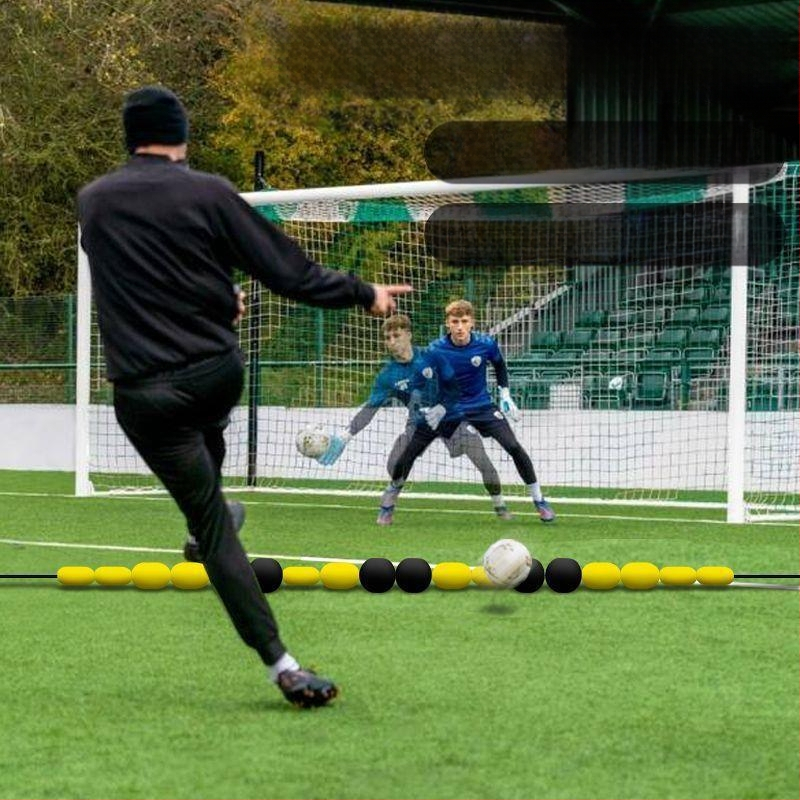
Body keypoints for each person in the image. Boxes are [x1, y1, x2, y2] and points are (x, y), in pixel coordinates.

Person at [77, 85, 411, 709]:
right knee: (209, 474)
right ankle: (227, 555)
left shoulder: (93, 202)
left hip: (142, 398)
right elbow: (290, 274)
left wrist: (210, 298)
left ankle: (276, 653)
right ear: (182, 137)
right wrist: (364, 293)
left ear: (130, 138)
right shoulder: (208, 193)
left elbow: (142, 282)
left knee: (210, 523)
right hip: (212, 377)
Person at [317, 314, 514, 523]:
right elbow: (370, 409)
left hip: (450, 417)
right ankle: (389, 502)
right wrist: (346, 435)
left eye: (396, 335)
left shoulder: (433, 356)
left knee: (481, 458)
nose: (392, 342)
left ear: (408, 335)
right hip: (418, 423)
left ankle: (499, 504)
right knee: (395, 463)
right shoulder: (387, 375)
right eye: (387, 338)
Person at [384, 299, 554, 524]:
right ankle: (389, 502)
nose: (460, 327)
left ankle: (539, 500)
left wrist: (505, 395)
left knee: (513, 446)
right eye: (455, 322)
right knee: (410, 452)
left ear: (472, 322)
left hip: (481, 406)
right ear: (448, 324)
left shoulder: (486, 344)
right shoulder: (436, 348)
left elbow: (500, 365)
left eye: (464, 321)